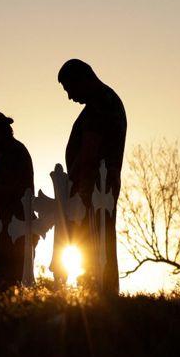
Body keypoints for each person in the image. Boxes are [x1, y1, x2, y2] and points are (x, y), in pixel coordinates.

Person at [54, 59, 126, 294]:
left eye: (69, 88)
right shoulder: (103, 102)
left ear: (82, 79)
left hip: (93, 188)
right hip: (93, 186)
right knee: (97, 242)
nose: (69, 96)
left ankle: (100, 294)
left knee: (95, 242)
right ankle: (99, 292)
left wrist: (69, 182)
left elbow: (89, 152)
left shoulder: (100, 104)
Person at [0, 110, 35, 290]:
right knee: (5, 282)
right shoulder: (5, 153)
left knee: (12, 282)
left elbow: (8, 191)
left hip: (13, 229)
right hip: (3, 227)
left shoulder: (14, 152)